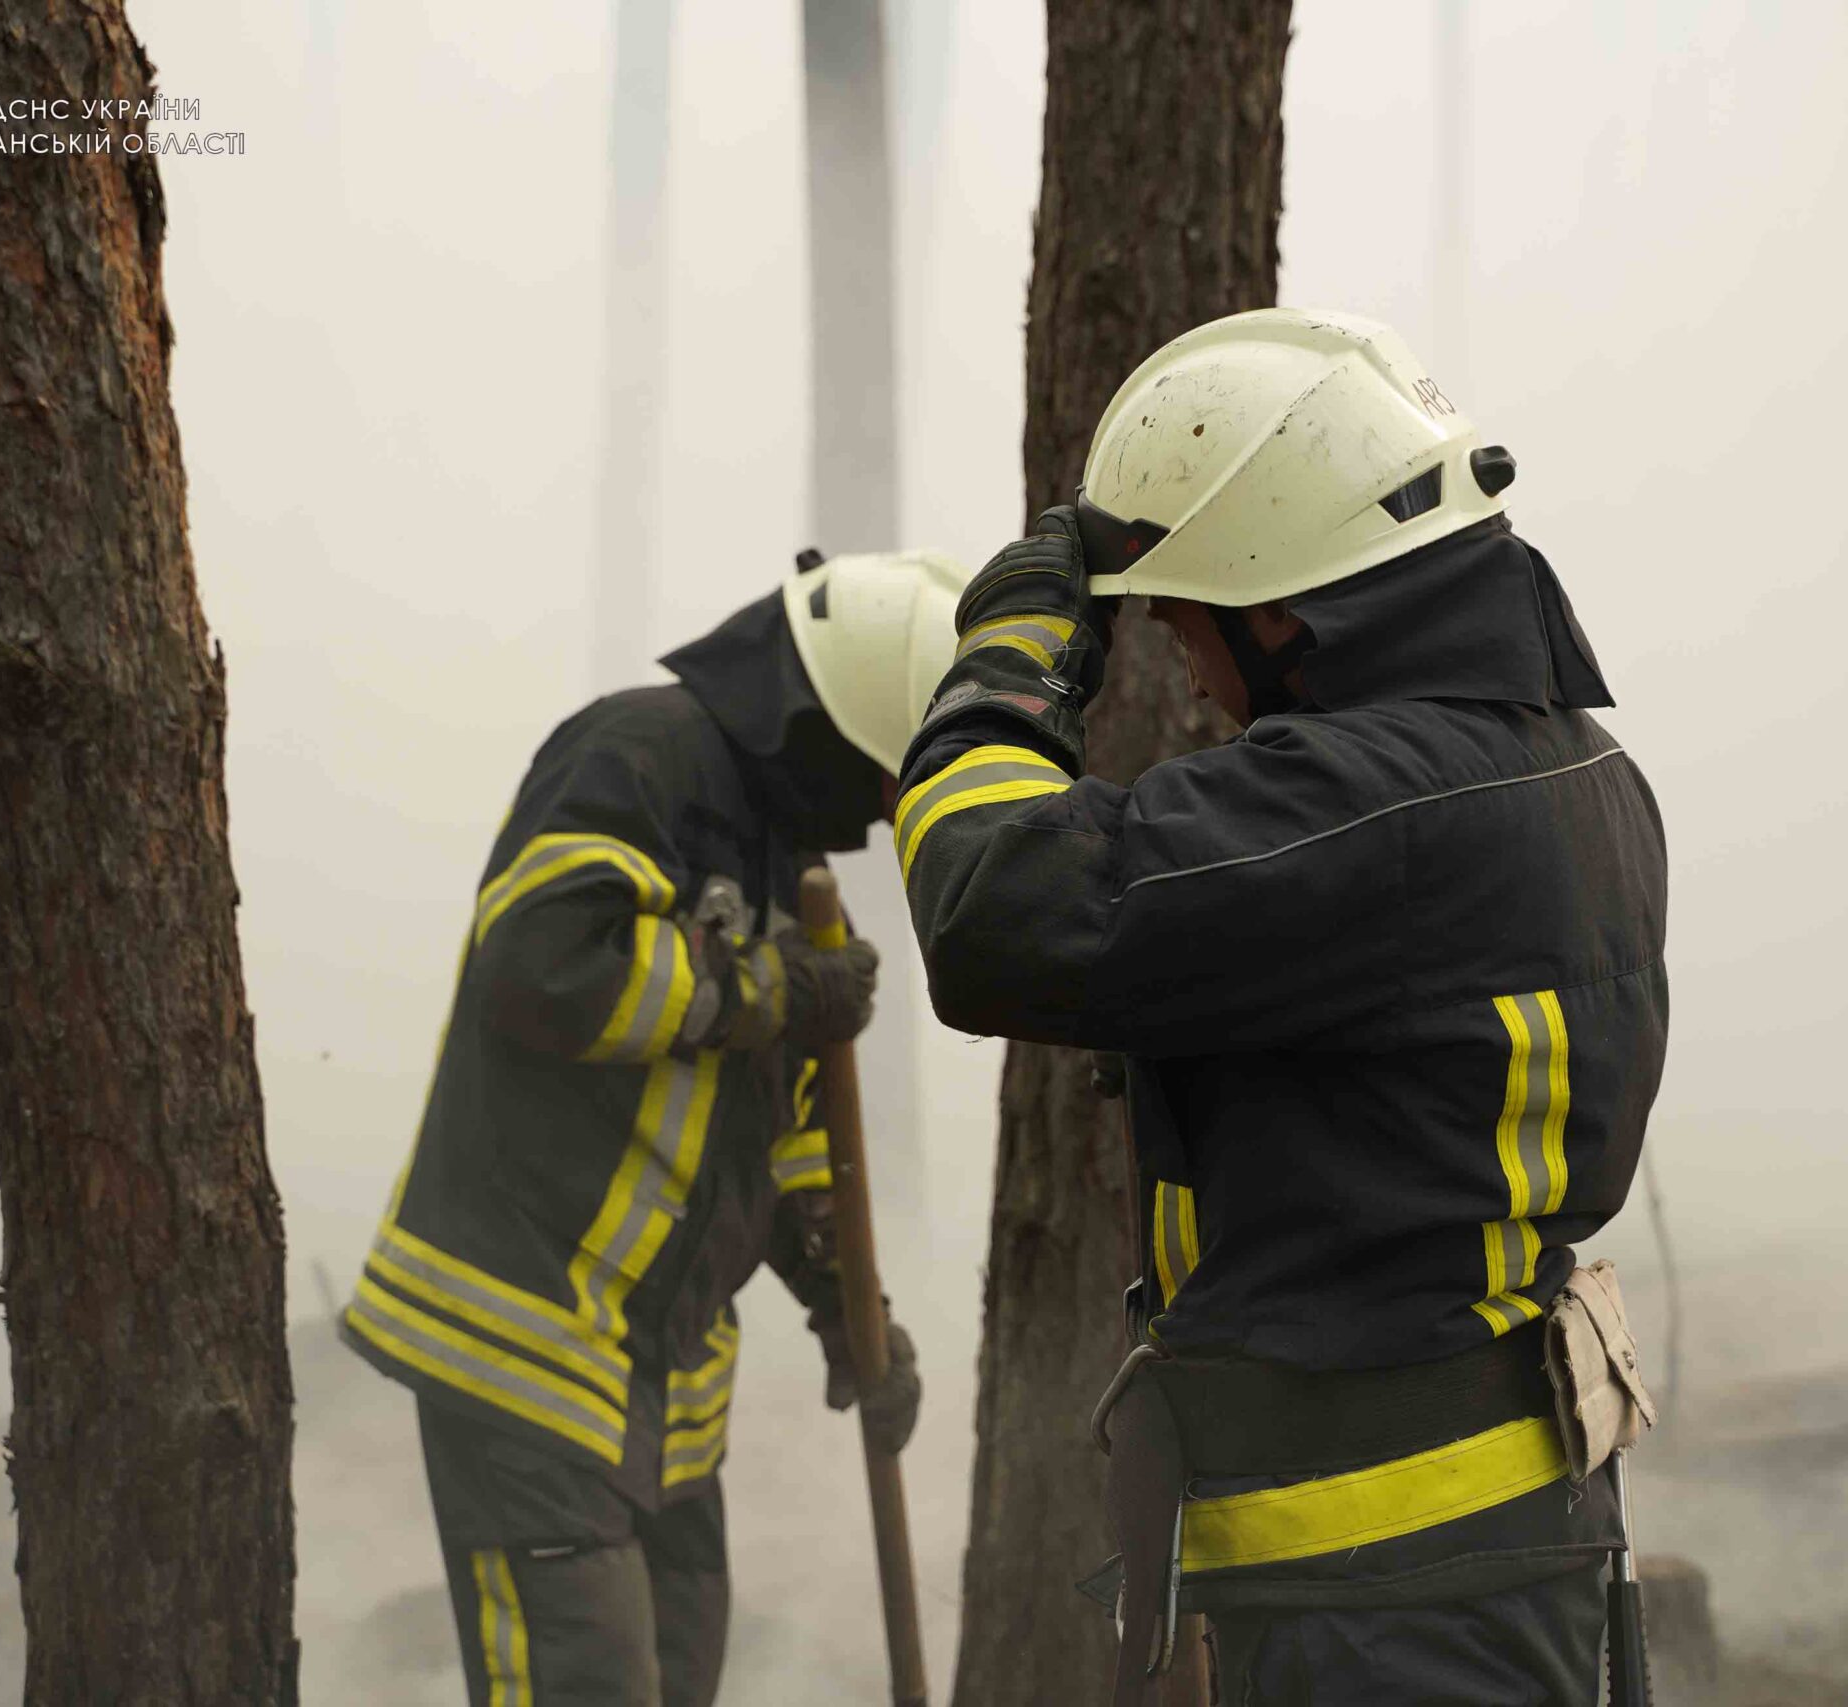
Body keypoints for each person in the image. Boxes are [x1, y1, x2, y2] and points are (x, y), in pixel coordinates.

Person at [896, 308, 1669, 1705]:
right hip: (1482, 1550)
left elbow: (990, 906)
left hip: (1390, 1593)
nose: (1183, 660)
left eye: (1184, 615)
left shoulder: (1375, 803)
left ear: (1277, 602)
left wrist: (1004, 673)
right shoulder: (1575, 770)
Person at [343, 547, 965, 1706]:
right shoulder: (636, 756)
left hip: (662, 1392)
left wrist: (851, 1310)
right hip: (526, 1345)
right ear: (824, 726)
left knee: (675, 1678)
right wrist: (772, 993)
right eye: (883, 780)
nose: (880, 824)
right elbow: (541, 969)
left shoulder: (782, 850)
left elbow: (776, 1137)